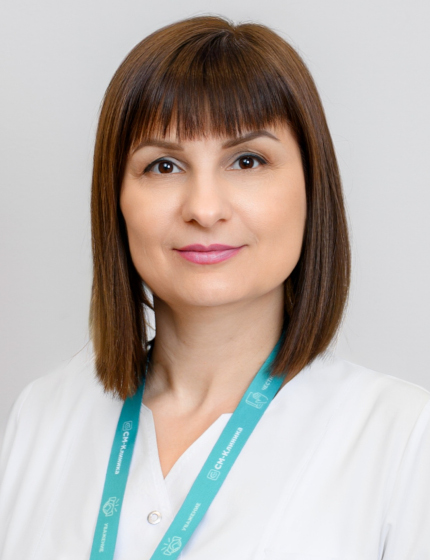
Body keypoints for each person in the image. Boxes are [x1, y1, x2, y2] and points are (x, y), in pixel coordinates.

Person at [0, 14, 429, 560]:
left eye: (247, 160)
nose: (204, 209)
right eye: (163, 166)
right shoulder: (42, 416)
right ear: (115, 200)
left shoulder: (404, 438)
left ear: (312, 187)